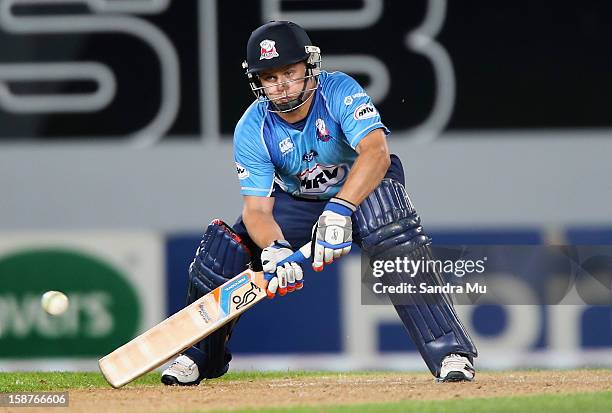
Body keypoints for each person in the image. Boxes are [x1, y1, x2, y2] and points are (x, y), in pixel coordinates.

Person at [161, 20, 477, 385]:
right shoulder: (252, 126)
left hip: (363, 188)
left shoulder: (339, 90)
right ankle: (198, 356)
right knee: (225, 251)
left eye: (290, 73)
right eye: (270, 77)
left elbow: (376, 154)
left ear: (310, 66)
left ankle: (451, 352)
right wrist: (274, 249)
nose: (282, 86)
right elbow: (258, 210)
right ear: (258, 81)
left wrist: (341, 209)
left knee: (389, 226)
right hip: (298, 203)